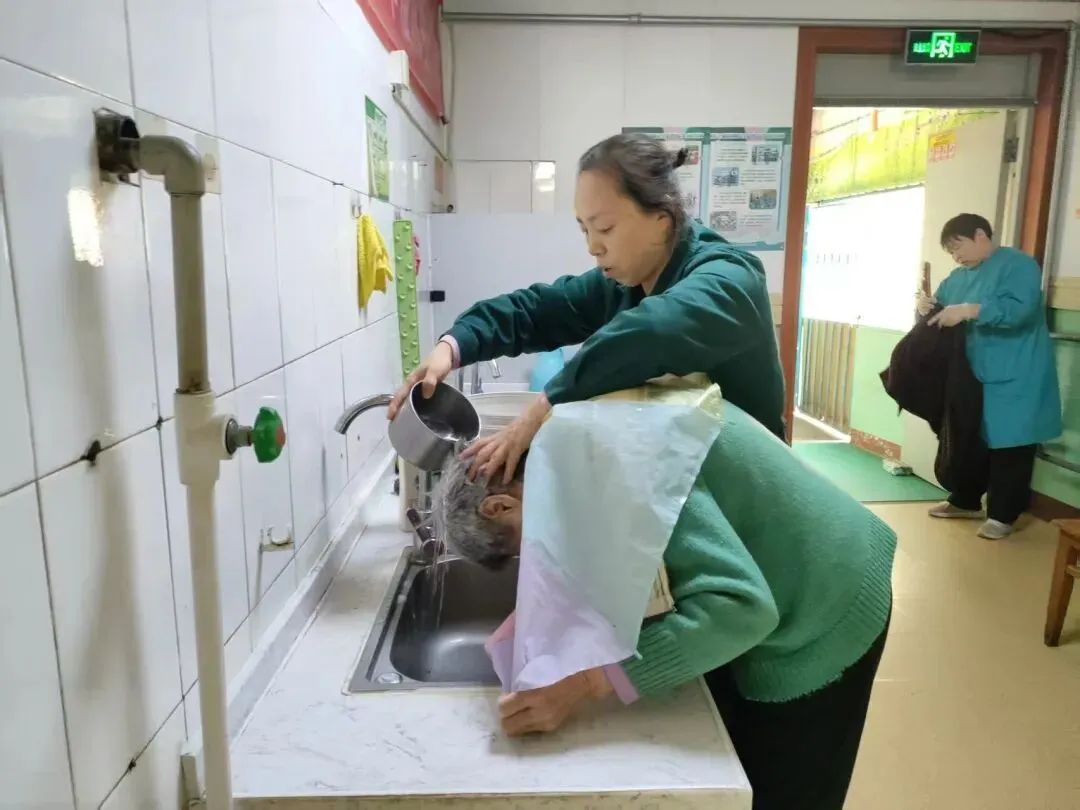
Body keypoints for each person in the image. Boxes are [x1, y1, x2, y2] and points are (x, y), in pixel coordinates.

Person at [434, 401, 897, 810]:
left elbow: (741, 610)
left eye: (525, 548)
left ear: (500, 506)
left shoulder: (626, 467)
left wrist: (588, 682)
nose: (540, 559)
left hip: (828, 599)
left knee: (782, 792)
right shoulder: (573, 444)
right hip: (795, 565)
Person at [388, 133, 784, 482]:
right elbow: (536, 311)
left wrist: (545, 405)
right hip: (686, 483)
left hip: (752, 488)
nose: (593, 246)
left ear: (662, 221)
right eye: (584, 229)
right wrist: (452, 346)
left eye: (605, 228)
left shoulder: (731, 280)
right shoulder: (625, 283)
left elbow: (654, 331)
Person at [917, 213, 1062, 540]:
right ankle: (965, 500)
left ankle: (1003, 515)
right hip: (972, 374)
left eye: (958, 247)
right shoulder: (957, 279)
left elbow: (1020, 310)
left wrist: (970, 310)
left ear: (981, 235)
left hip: (1016, 373)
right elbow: (940, 314)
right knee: (969, 438)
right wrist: (926, 308)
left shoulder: (1018, 265)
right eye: (951, 252)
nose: (956, 256)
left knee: (1011, 443)